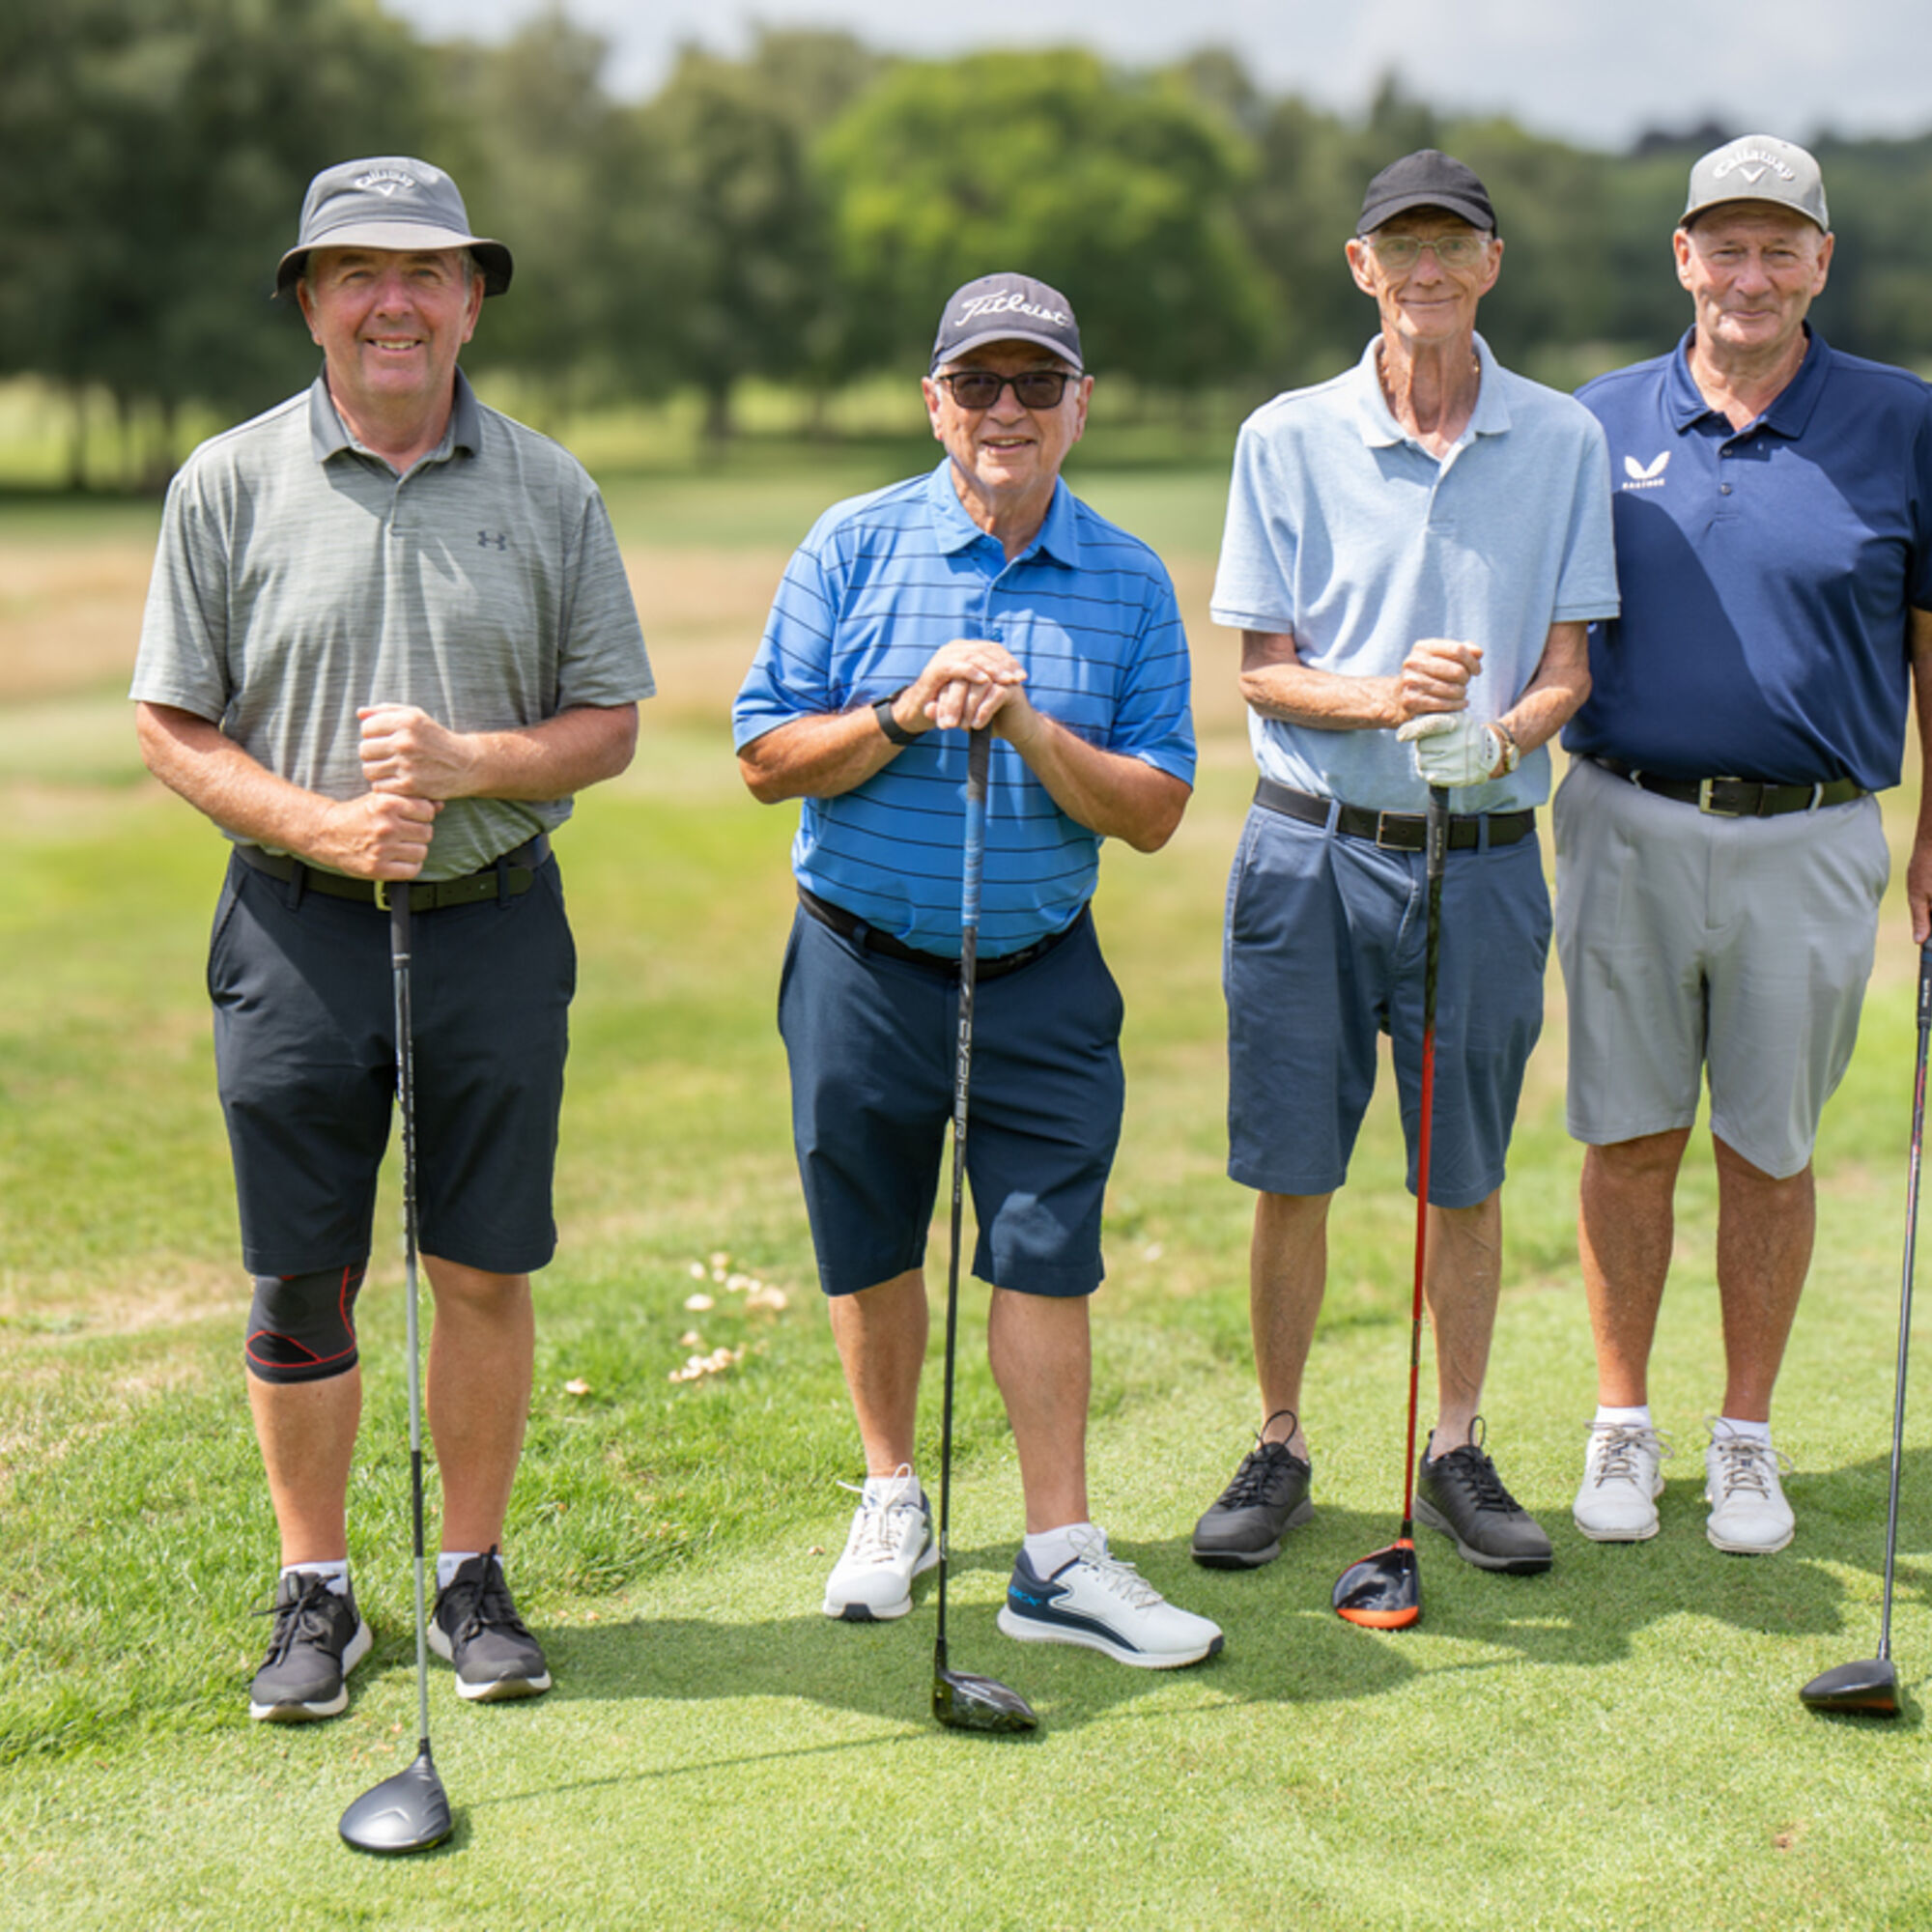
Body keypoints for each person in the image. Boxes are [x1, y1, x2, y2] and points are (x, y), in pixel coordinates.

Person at [130, 157, 653, 1719]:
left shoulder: (552, 487)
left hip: (494, 927)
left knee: (480, 1267)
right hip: (296, 931)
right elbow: (171, 724)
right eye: (356, 272)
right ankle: (319, 1594)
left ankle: (467, 1578)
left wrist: (469, 763)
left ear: (473, 299)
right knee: (303, 1278)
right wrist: (327, 826)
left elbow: (610, 722)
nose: (394, 303)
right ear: (309, 302)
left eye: (426, 272)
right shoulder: (225, 481)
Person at [733, 272, 1221, 1668]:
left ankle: (1057, 1559)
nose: (1008, 408)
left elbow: (1155, 810)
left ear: (1081, 404)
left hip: (1040, 969)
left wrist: (1029, 728)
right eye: (978, 382)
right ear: (934, 402)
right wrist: (899, 713)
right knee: (871, 1234)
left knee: (1044, 1248)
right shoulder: (850, 542)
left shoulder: (1129, 577)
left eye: (1037, 382)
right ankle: (894, 1496)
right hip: (860, 959)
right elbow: (765, 757)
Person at [1193, 151, 1618, 1579]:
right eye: (1401, 247)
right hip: (1310, 851)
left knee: (1465, 1175)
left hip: (1483, 854)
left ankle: (1457, 1447)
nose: (1426, 270)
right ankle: (1280, 1440)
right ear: (1360, 266)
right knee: (1293, 1169)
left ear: (1491, 264)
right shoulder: (1285, 436)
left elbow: (1568, 669)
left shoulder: (1562, 439)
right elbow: (1261, 669)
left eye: (1452, 245)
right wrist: (1386, 699)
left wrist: (1500, 736)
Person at [1558, 135, 1932, 1554]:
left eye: (1782, 248)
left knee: (1767, 1148)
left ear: (1822, 263)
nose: (1752, 276)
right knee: (1626, 1135)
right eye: (1728, 247)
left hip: (1815, 833)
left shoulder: (1904, 421)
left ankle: (1746, 1440)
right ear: (1684, 257)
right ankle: (1621, 1423)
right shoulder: (1596, 422)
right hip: (1625, 820)